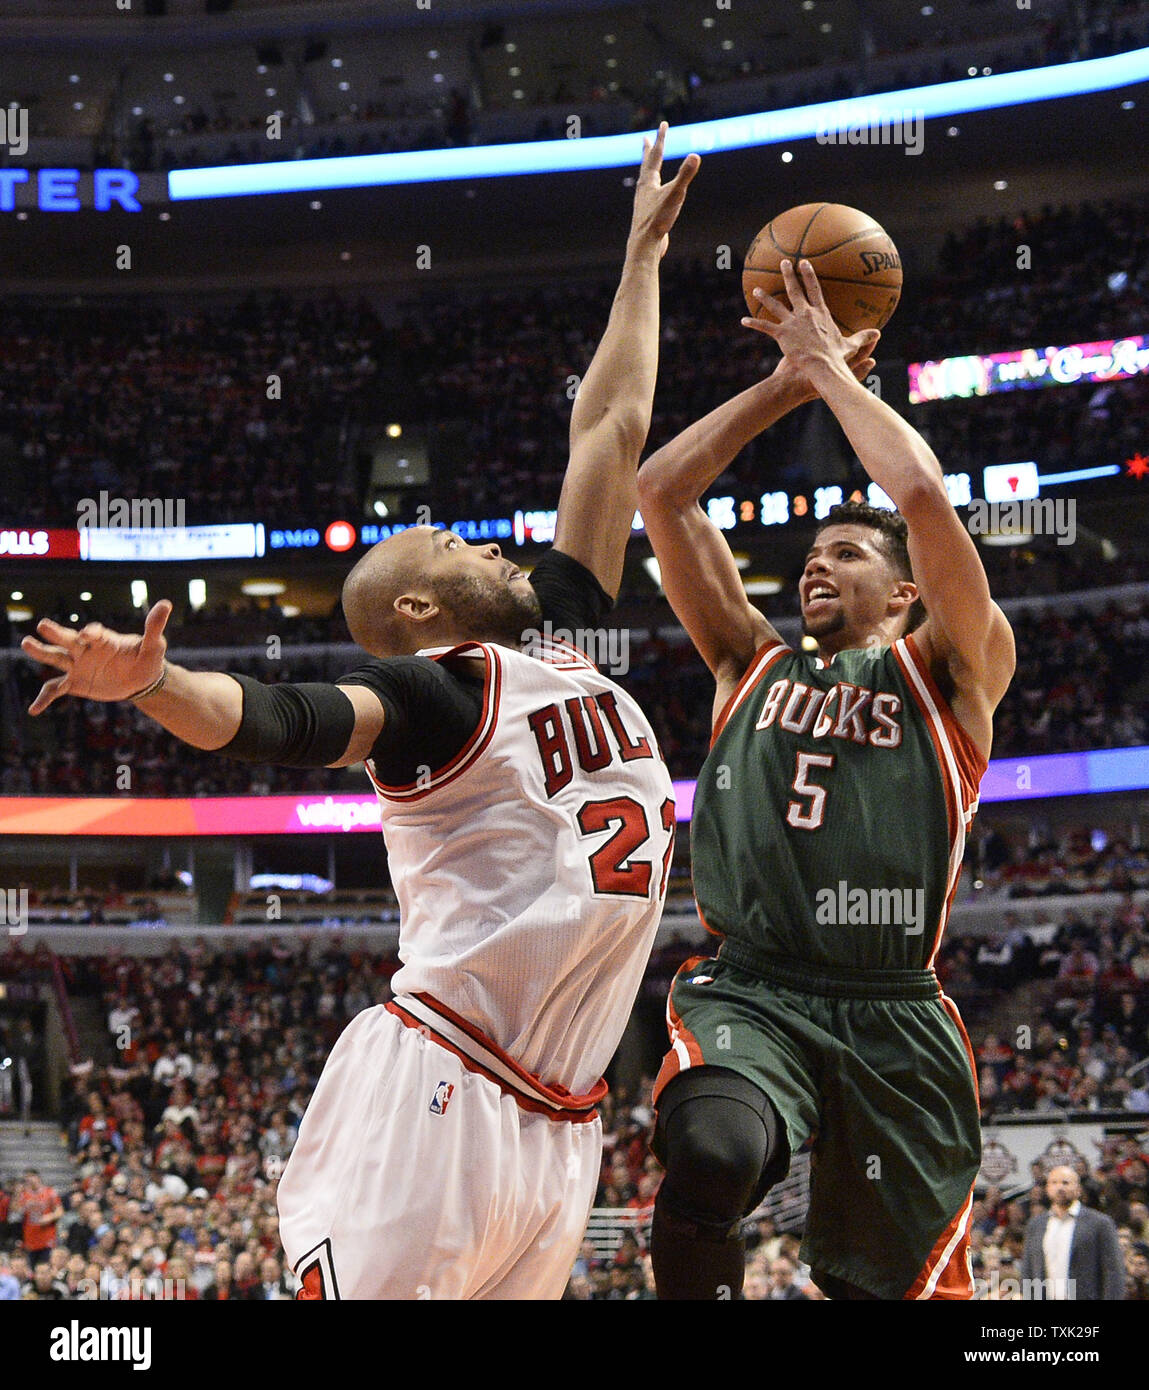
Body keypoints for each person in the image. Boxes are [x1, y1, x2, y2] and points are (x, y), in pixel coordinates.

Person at [21, 125, 699, 1300]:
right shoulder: (432, 693)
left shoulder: (553, 634)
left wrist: (640, 259)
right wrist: (156, 686)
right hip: (440, 1092)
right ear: (424, 604)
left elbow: (610, 432)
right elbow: (278, 717)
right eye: (446, 540)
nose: (480, 536)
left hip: (559, 1120)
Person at [635, 258, 1016, 1300]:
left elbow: (924, 493)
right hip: (753, 988)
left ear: (903, 590)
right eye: (810, 553)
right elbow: (660, 489)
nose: (816, 564)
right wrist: (786, 383)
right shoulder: (743, 660)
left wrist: (840, 382)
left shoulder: (950, 666)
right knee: (712, 1155)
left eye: (845, 552)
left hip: (894, 1010)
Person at [1019, 1165, 1126, 1300]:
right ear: (1047, 1188)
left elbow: (1113, 1272)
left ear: (1078, 1189)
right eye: (1054, 1183)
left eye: (1066, 1183)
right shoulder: (1035, 1225)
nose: (1060, 1188)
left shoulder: (1100, 1223)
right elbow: (1027, 1272)